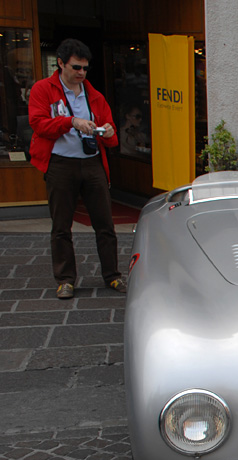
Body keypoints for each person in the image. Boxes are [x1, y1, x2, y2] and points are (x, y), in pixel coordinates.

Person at [28, 38, 124, 300]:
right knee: (61, 226)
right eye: (76, 67)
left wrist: (108, 132)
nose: (81, 73)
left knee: (105, 223)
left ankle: (112, 275)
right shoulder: (43, 89)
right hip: (60, 163)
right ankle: (65, 279)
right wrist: (70, 121)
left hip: (92, 163)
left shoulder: (94, 95)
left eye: (85, 68)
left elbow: (112, 138)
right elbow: (38, 124)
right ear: (60, 64)